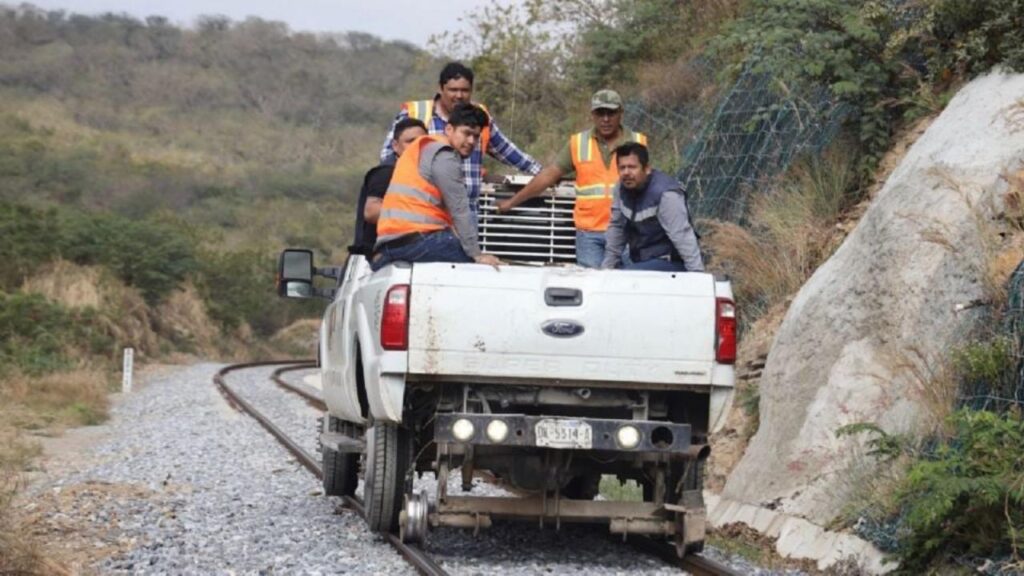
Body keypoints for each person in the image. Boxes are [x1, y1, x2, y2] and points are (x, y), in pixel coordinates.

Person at [496, 89, 647, 268]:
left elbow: (650, 184)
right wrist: (512, 202)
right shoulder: (578, 143)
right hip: (590, 234)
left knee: (631, 281)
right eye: (600, 113)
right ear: (592, 115)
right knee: (590, 283)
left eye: (611, 113)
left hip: (628, 232)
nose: (605, 119)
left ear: (621, 113)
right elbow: (549, 175)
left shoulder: (638, 141)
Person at [379, 62, 541, 218]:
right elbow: (388, 157)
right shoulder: (417, 114)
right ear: (440, 88)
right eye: (453, 90)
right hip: (427, 212)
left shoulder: (479, 118)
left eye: (465, 90)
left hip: (468, 212)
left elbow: (508, 151)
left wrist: (542, 173)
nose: (459, 95)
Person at [372, 103, 502, 271]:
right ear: (449, 129)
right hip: (416, 240)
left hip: (389, 244)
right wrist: (477, 255)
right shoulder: (444, 155)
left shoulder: (423, 147)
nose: (471, 141)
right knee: (479, 269)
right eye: (466, 133)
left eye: (476, 136)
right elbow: (459, 209)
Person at [601, 142, 703, 272]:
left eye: (632, 167)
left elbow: (682, 235)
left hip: (671, 262)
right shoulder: (621, 188)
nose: (626, 173)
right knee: (615, 276)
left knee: (626, 277)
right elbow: (617, 228)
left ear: (647, 168)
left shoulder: (666, 194)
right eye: (622, 168)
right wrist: (607, 268)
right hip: (642, 261)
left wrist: (696, 274)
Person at [352, 118, 428, 254]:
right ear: (395, 146)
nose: (416, 146)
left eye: (422, 141)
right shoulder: (386, 173)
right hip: (375, 256)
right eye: (410, 141)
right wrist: (419, 214)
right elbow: (371, 212)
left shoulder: (422, 173)